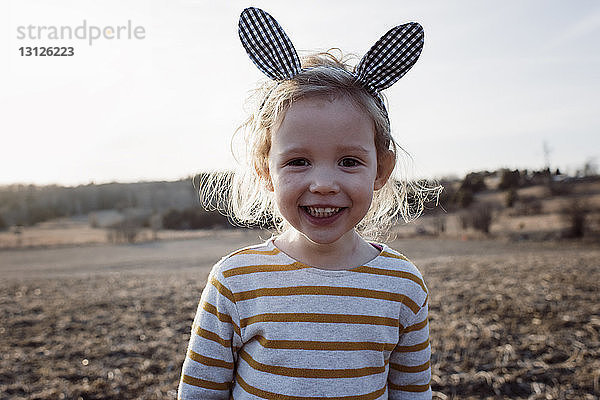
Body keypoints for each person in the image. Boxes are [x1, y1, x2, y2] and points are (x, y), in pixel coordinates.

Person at [178, 7, 439, 399]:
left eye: (349, 162)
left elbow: (412, 392)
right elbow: (200, 393)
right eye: (298, 162)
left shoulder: (402, 285)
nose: (322, 184)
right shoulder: (235, 280)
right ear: (265, 169)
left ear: (381, 169)